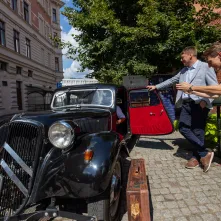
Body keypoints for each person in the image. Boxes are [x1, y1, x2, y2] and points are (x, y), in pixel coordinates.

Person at [147, 46, 218, 172]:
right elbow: (171, 80)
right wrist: (156, 86)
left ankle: (197, 157)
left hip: (199, 104)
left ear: (190, 55)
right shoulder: (184, 70)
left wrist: (205, 101)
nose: (181, 59)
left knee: (198, 131)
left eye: (182, 56)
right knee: (183, 128)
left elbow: (214, 87)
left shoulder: (205, 67)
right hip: (186, 104)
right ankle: (204, 153)